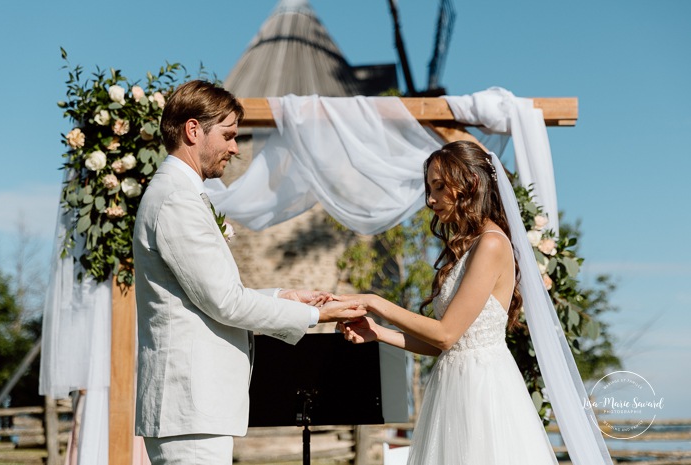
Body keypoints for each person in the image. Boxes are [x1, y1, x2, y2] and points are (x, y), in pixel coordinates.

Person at [133, 80, 365, 465]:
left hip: (198, 409)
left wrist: (281, 297)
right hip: (191, 404)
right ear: (193, 130)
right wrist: (316, 315)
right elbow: (225, 302)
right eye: (227, 135)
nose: (235, 148)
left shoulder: (183, 195)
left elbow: (214, 292)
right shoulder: (176, 199)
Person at [338, 140, 558, 464]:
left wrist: (375, 302)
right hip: (452, 384)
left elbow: (445, 333)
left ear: (469, 182)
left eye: (439, 187)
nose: (431, 199)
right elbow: (443, 344)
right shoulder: (468, 247)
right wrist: (377, 332)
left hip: (480, 389)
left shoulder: (493, 244)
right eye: (429, 188)